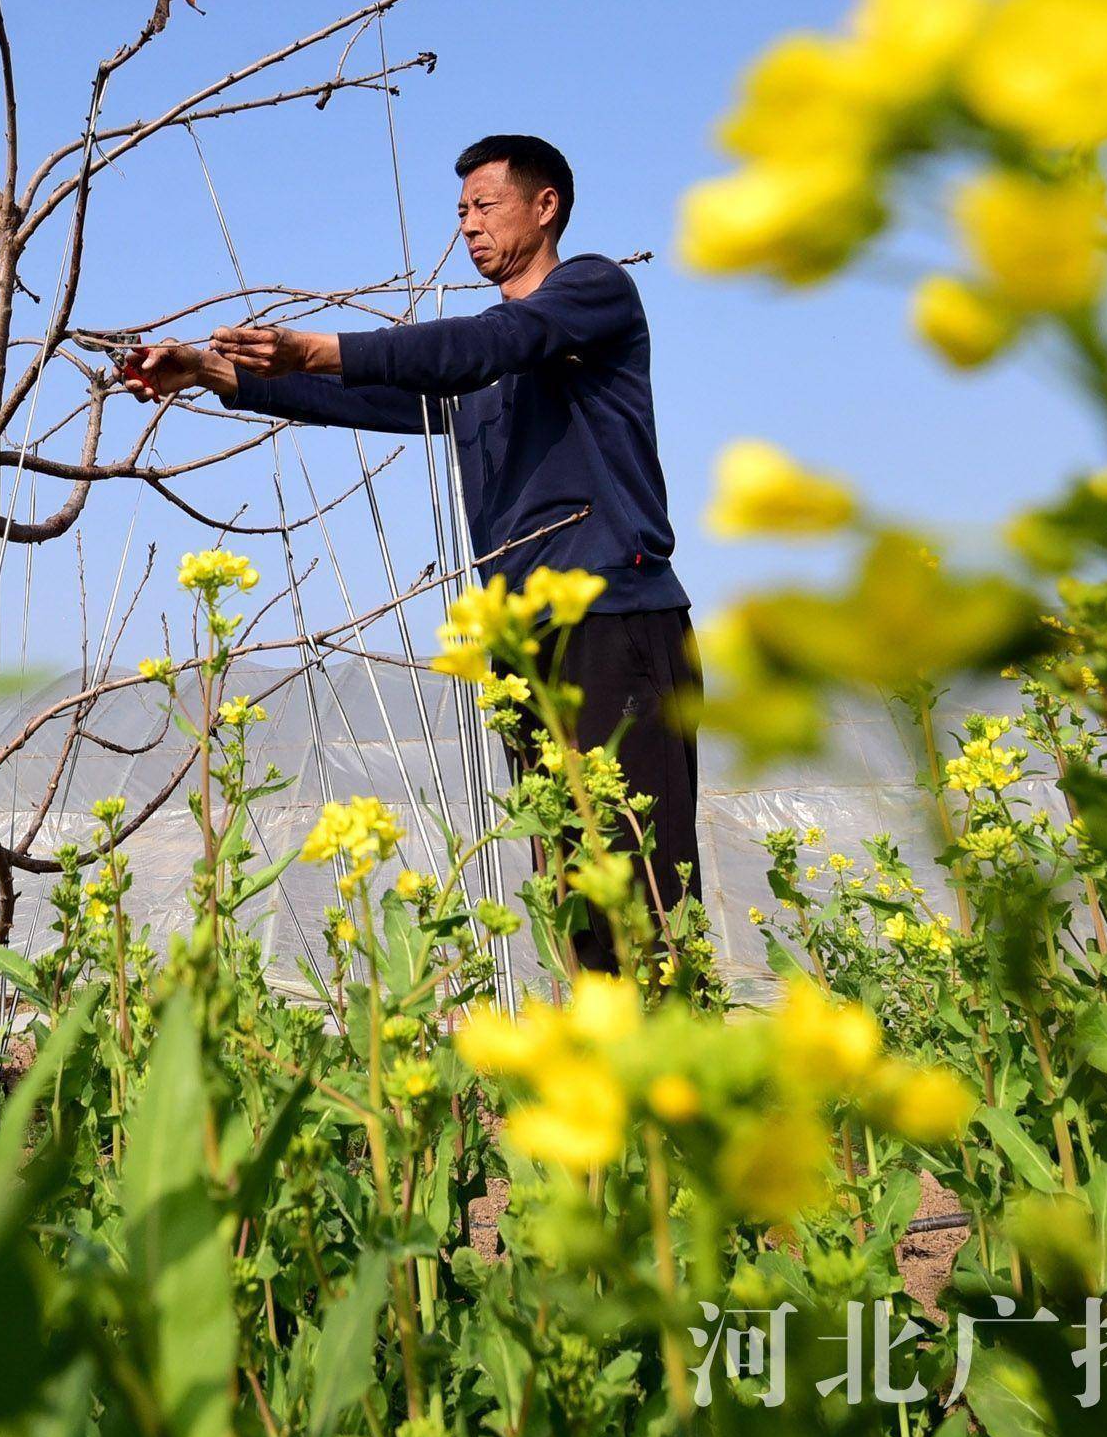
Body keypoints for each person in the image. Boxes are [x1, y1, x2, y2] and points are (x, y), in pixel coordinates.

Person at [120, 133, 698, 973]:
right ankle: (598, 1074)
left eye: (484, 205)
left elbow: (483, 345)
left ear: (546, 207)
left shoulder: (591, 295)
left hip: (613, 619)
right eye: (459, 211)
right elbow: (366, 391)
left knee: (639, 883)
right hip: (521, 641)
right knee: (568, 880)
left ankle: (672, 1074)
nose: (467, 225)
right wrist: (210, 370)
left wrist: (320, 344)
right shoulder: (477, 370)